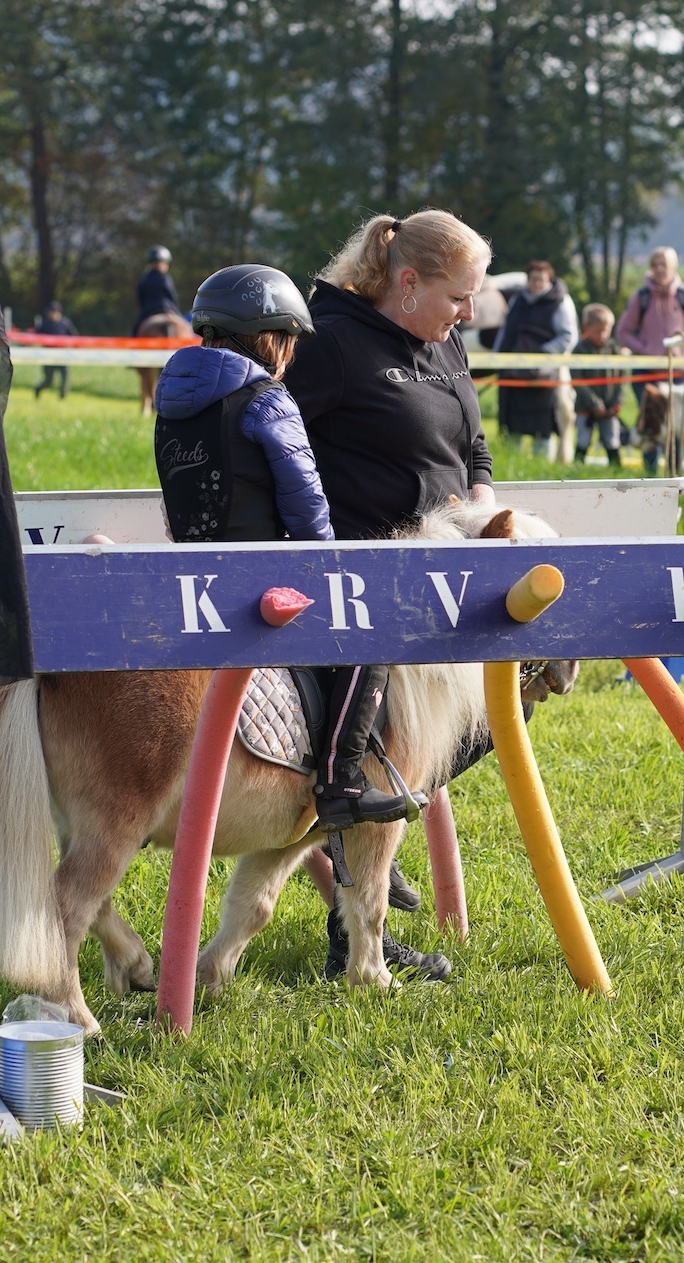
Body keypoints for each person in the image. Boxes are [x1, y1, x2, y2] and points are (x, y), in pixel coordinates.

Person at [286, 208, 497, 980]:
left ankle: (372, 829)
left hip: (446, 568)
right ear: (406, 282)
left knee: (489, 717)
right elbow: (276, 444)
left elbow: (472, 440)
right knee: (390, 741)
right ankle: (357, 894)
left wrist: (480, 494)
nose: (466, 313)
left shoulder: (444, 339)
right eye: (457, 296)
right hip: (361, 582)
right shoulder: (330, 343)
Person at [154, 264, 330, 543]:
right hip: (257, 561)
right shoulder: (268, 402)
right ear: (273, 337)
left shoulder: (172, 397)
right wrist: (326, 552)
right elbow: (305, 501)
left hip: (188, 560)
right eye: (291, 342)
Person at [493, 260, 577, 457]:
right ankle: (513, 462)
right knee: (512, 426)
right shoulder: (517, 300)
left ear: (549, 280)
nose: (536, 283)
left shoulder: (560, 302)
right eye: (533, 279)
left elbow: (568, 337)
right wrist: (497, 357)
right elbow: (505, 331)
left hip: (543, 377)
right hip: (513, 374)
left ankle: (542, 466)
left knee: (543, 427)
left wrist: (541, 353)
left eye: (541, 279)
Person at [617, 248, 684, 472]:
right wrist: (644, 350)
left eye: (663, 264)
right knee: (650, 423)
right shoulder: (641, 297)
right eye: (655, 264)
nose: (659, 269)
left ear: (673, 266)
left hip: (677, 372)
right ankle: (649, 475)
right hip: (646, 372)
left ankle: (674, 473)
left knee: (677, 424)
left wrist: (683, 350)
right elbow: (623, 332)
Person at [571, 303, 628, 467]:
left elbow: (623, 379)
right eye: (597, 331)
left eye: (606, 330)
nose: (602, 335)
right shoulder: (579, 350)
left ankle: (617, 471)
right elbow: (578, 380)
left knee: (612, 439)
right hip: (585, 408)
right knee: (583, 439)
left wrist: (617, 403)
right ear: (585, 328)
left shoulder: (615, 350)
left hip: (609, 408)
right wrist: (595, 404)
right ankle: (576, 470)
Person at [134, 246, 181, 416]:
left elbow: (140, 298)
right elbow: (172, 297)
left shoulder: (144, 278)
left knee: (135, 331)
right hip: (169, 310)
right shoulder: (166, 278)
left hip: (149, 311)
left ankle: (132, 359)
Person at [30, 300, 75, 400]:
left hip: (62, 355)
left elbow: (74, 336)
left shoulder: (65, 323)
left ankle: (62, 395)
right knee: (49, 380)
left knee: (65, 376)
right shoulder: (45, 323)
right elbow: (36, 335)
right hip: (48, 355)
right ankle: (38, 389)